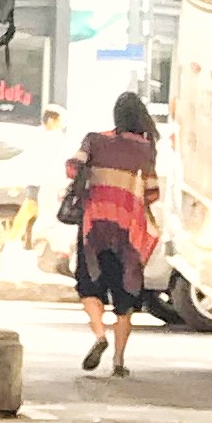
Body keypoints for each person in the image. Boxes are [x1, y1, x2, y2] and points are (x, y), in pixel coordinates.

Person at [70, 90, 160, 377]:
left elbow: (72, 168)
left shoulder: (95, 140)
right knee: (125, 296)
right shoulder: (146, 150)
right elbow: (152, 193)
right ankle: (119, 362)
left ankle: (99, 336)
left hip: (94, 224)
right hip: (128, 231)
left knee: (89, 284)